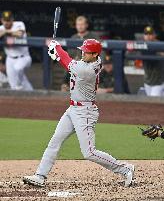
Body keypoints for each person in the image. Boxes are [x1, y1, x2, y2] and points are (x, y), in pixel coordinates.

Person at [23, 39, 134, 187]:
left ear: (95, 54)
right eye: (83, 50)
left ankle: (125, 168)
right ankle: (40, 176)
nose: (83, 52)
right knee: (55, 141)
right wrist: (57, 55)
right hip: (73, 109)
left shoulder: (87, 70)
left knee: (89, 152)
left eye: (86, 51)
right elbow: (66, 61)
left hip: (85, 113)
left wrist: (56, 48)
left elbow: (67, 61)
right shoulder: (89, 62)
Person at [0, 11, 33, 91]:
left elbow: (19, 34)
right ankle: (31, 93)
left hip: (23, 57)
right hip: (10, 59)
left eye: (8, 20)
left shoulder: (19, 24)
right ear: (1, 20)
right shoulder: (1, 28)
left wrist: (6, 32)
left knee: (18, 69)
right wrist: (5, 32)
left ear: (12, 20)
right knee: (14, 85)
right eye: (5, 20)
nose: (7, 22)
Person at [142, 26, 164, 97]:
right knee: (153, 102)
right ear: (143, 36)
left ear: (154, 35)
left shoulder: (160, 45)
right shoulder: (141, 45)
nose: (148, 36)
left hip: (159, 81)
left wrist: (159, 53)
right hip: (147, 81)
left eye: (150, 34)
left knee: (153, 100)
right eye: (146, 34)